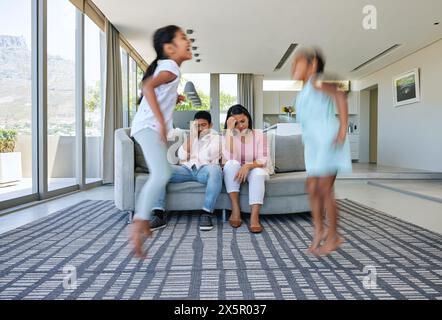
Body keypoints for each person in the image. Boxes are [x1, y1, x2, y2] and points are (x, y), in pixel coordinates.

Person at [129, 25, 192, 259]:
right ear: (169, 48)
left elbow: (153, 88)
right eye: (183, 38)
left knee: (162, 171)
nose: (188, 41)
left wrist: (174, 97)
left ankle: (143, 218)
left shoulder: (169, 68)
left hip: (145, 127)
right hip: (148, 127)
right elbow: (147, 87)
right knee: (161, 174)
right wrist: (162, 122)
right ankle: (139, 221)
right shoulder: (172, 68)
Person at [291, 47, 352, 256]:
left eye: (297, 63)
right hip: (314, 145)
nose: (293, 68)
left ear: (313, 64)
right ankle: (319, 229)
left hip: (329, 139)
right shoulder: (305, 90)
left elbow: (340, 95)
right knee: (312, 186)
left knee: (325, 190)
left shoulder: (316, 82)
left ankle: (333, 236)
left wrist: (343, 129)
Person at [150, 111, 223, 232]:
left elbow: (209, 155)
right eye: (197, 125)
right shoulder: (190, 137)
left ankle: (207, 213)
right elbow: (181, 155)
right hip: (186, 170)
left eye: (203, 125)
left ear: (211, 125)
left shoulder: (217, 138)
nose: (200, 128)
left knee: (216, 170)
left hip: (205, 170)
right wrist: (193, 137)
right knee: (160, 169)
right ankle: (158, 214)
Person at [222, 104, 270, 234]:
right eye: (236, 123)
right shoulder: (228, 136)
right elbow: (230, 157)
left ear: (248, 119)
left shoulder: (259, 134)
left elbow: (263, 159)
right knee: (231, 164)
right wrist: (229, 132)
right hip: (236, 169)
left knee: (258, 173)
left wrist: (248, 166)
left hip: (255, 167)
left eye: (243, 121)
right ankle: (235, 210)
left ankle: (254, 217)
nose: (241, 126)